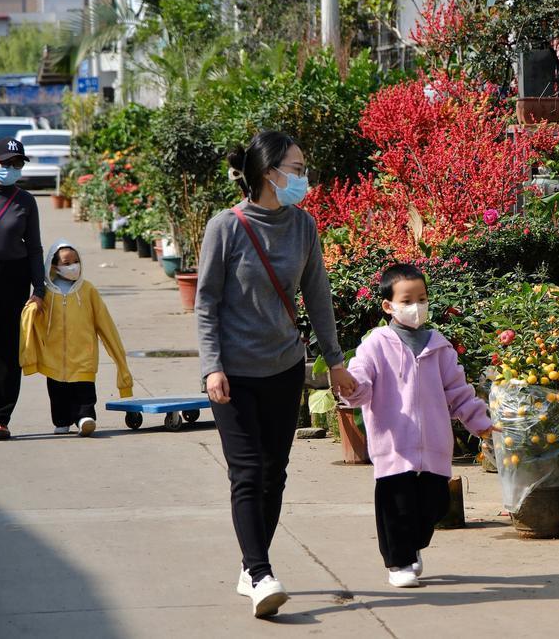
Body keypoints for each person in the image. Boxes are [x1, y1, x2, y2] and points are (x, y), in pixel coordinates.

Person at [196, 130, 357, 618]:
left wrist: (333, 360)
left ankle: (251, 567)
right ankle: (260, 570)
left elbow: (319, 295)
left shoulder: (303, 225)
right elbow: (206, 304)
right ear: (270, 173)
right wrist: (211, 367)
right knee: (247, 472)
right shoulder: (224, 227)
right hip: (234, 375)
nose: (304, 176)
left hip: (284, 368)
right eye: (297, 167)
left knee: (275, 474)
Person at [341, 263, 497, 588]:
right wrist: (351, 386)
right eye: (408, 300)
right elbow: (361, 378)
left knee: (435, 505)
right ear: (388, 305)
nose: (416, 307)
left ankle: (411, 547)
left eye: (422, 298)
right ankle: (399, 562)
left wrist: (478, 421)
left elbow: (457, 391)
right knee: (394, 508)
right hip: (393, 446)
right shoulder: (376, 344)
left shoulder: (438, 345)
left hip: (435, 447)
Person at [20, 241, 133, 436]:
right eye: (66, 262)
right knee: (57, 392)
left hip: (84, 356)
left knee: (85, 392)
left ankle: (85, 418)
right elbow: (31, 321)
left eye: (76, 261)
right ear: (54, 265)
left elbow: (106, 325)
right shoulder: (45, 294)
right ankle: (62, 421)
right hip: (53, 358)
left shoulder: (88, 290)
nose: (73, 266)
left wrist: (120, 362)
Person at [0, 137, 45, 441]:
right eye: (7, 163)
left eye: (17, 164)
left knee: (8, 349)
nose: (12, 168)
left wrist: (39, 288)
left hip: (14, 278)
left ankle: (0, 417)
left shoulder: (26, 201)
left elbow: (34, 249)